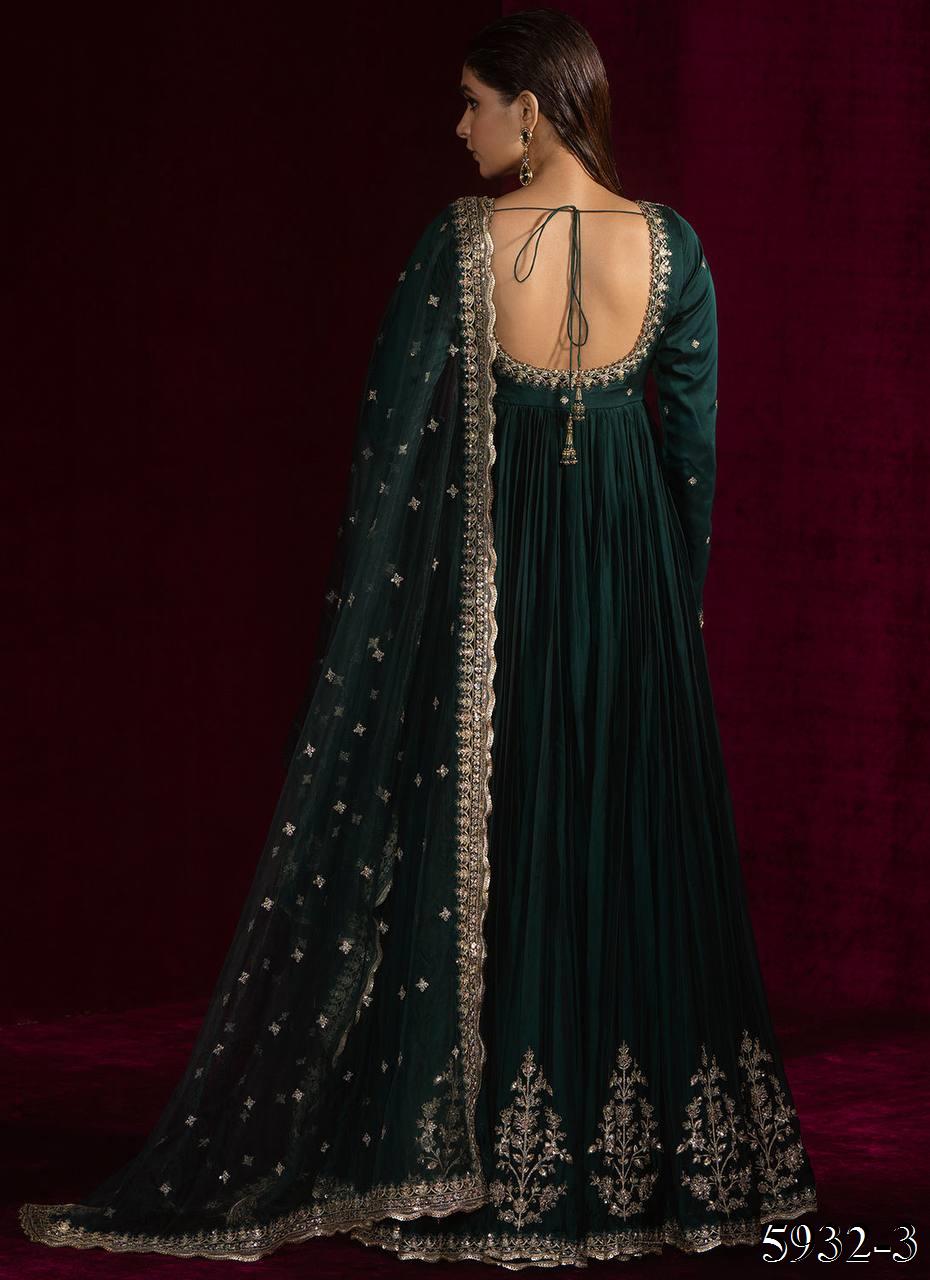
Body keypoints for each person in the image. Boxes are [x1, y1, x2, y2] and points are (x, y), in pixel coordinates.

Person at [19, 8, 818, 1269]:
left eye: (473, 102)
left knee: (512, 832)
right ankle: (651, 1171)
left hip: (499, 585)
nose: (459, 127)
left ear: (532, 108)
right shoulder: (673, 247)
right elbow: (692, 460)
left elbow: (389, 457)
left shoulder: (461, 246)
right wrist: (676, 610)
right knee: (616, 831)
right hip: (638, 587)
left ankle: (481, 1153)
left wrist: (391, 630)